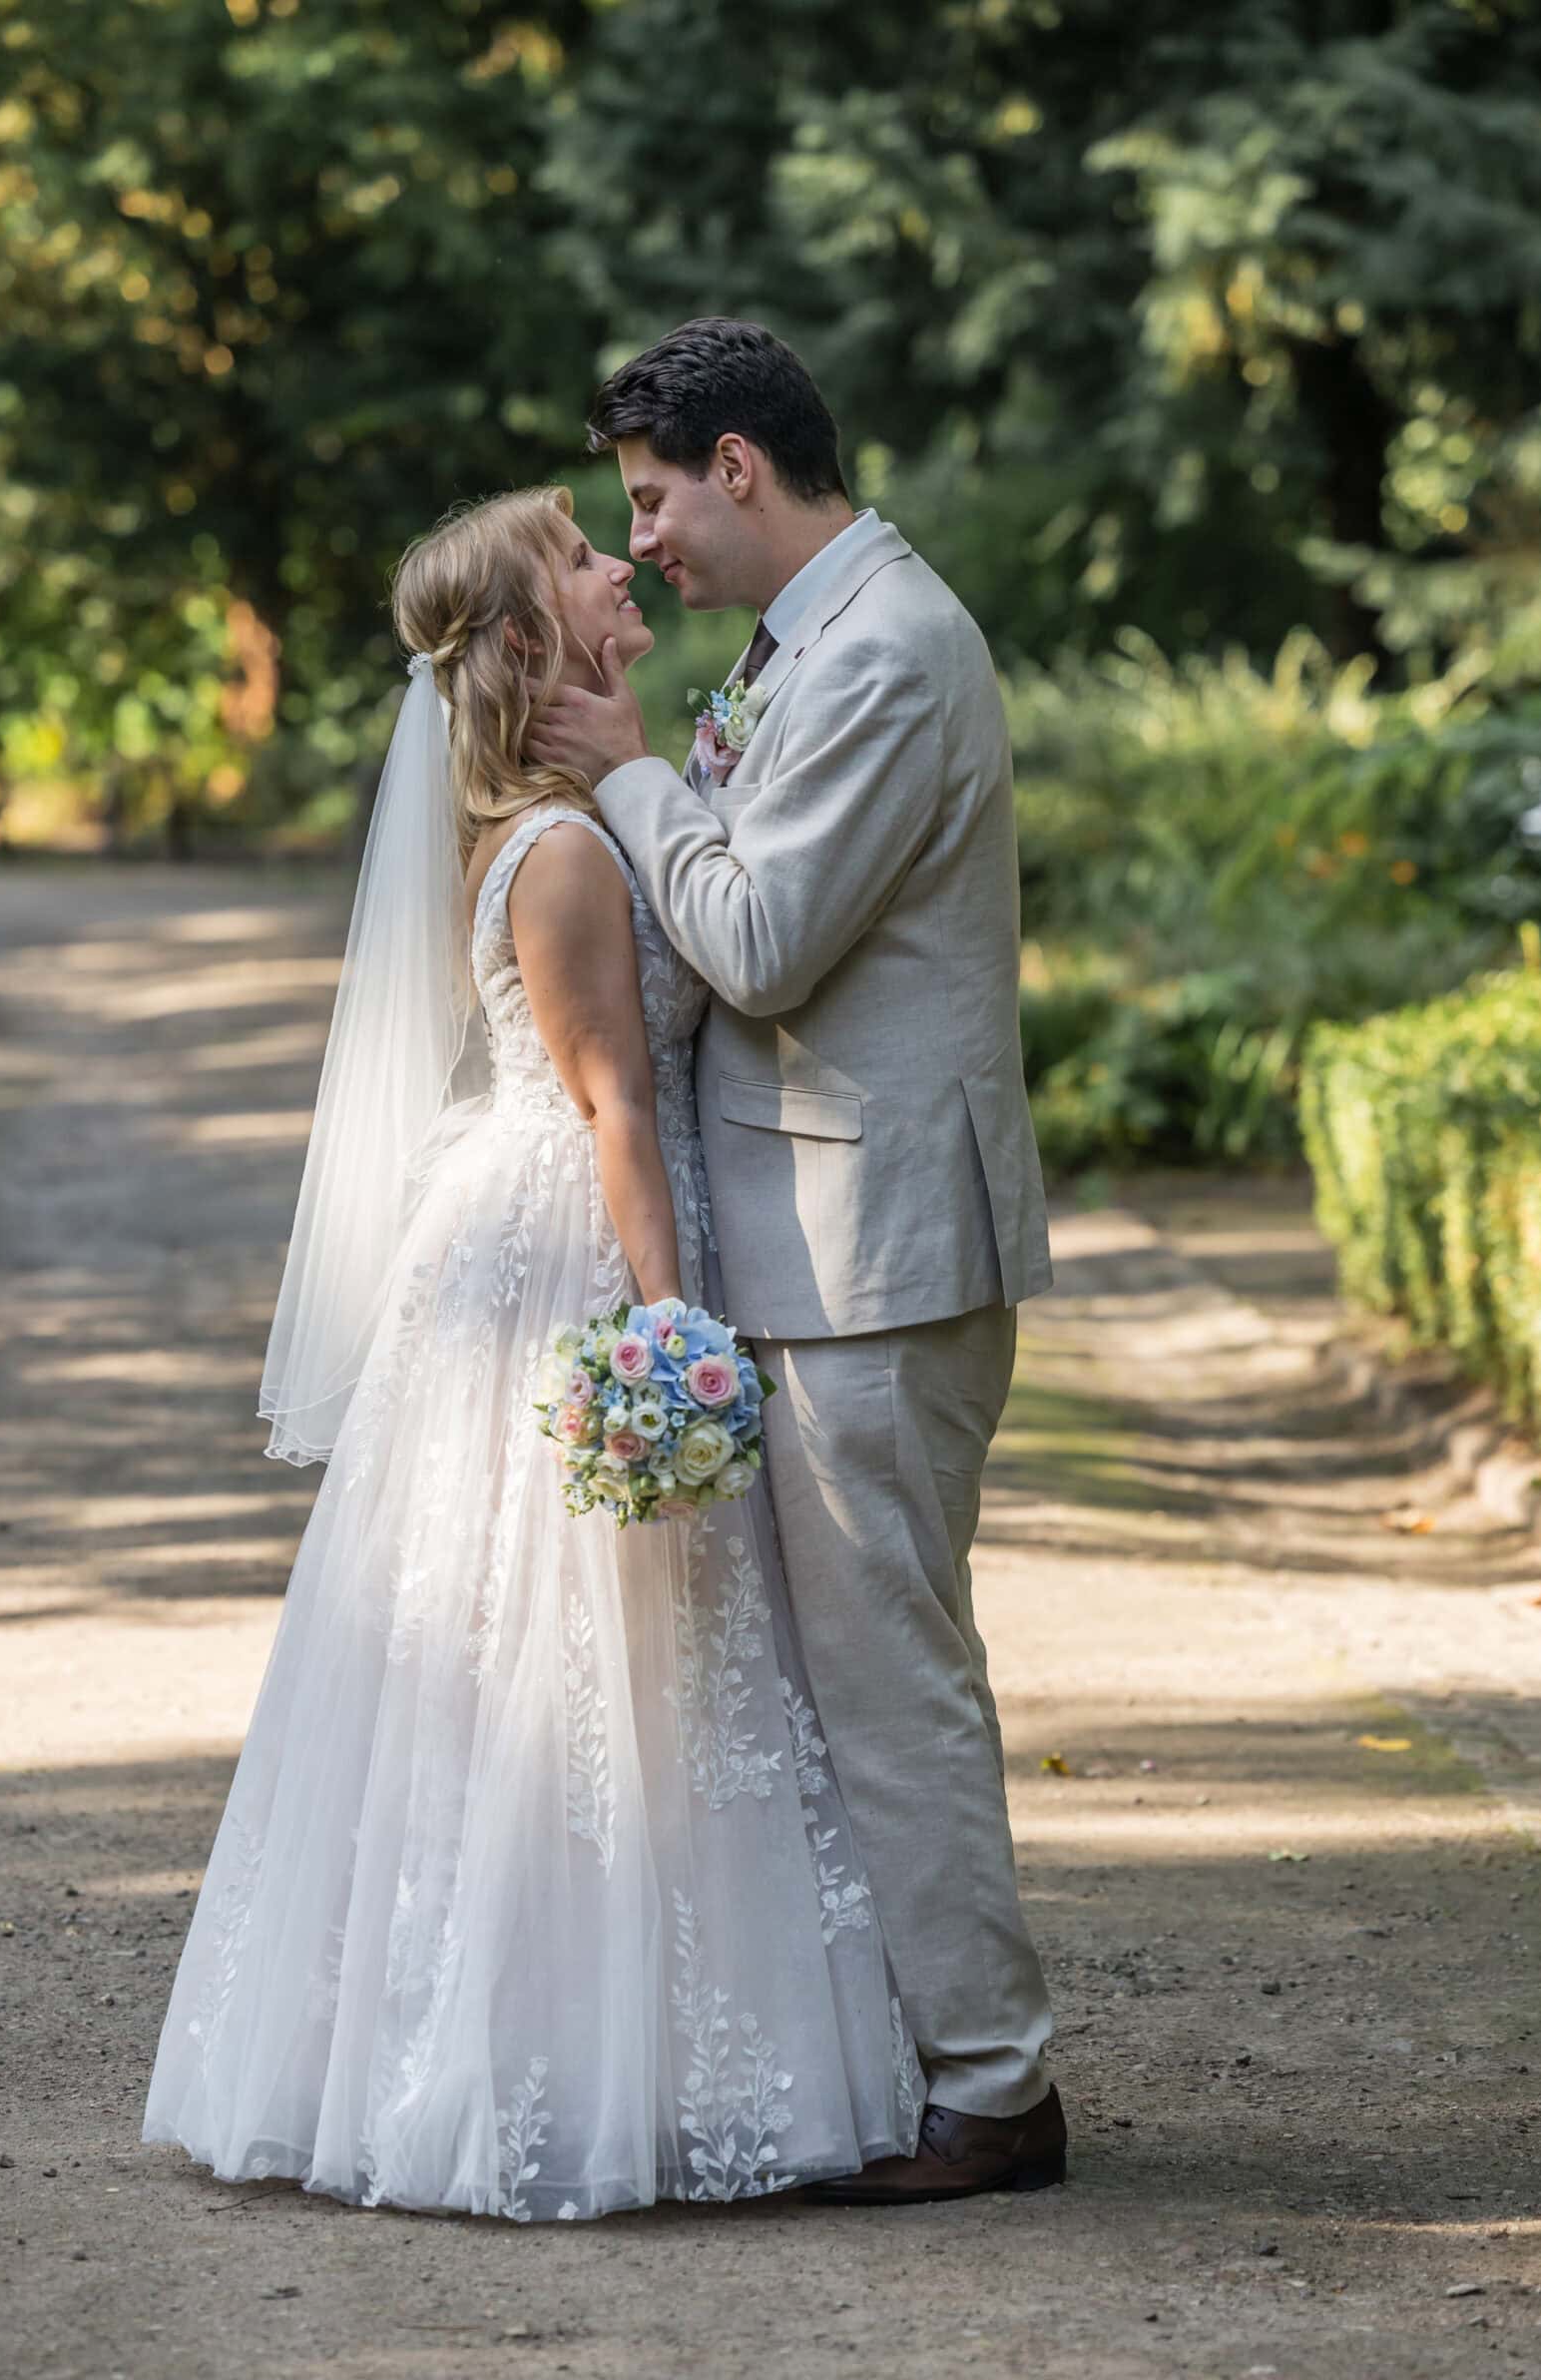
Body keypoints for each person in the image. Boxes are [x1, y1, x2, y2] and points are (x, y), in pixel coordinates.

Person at [142, 485, 922, 2220]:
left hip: (549, 1224)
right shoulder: (561, 851)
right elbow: (614, 1104)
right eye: (579, 557)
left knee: (602, 1660)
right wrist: (674, 1347)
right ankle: (550, 2058)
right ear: (522, 643)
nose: (615, 565)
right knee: (575, 1656)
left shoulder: (582, 809)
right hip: (571, 1251)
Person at [529, 316, 1063, 2203]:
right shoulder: (802, 642)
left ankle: (994, 2095)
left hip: (878, 1253)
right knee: (872, 1676)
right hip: (821, 1238)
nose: (647, 541)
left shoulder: (895, 653)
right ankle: (941, 2058)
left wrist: (626, 776)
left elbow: (756, 938)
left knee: (895, 1679)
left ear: (739, 467)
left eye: (657, 498)